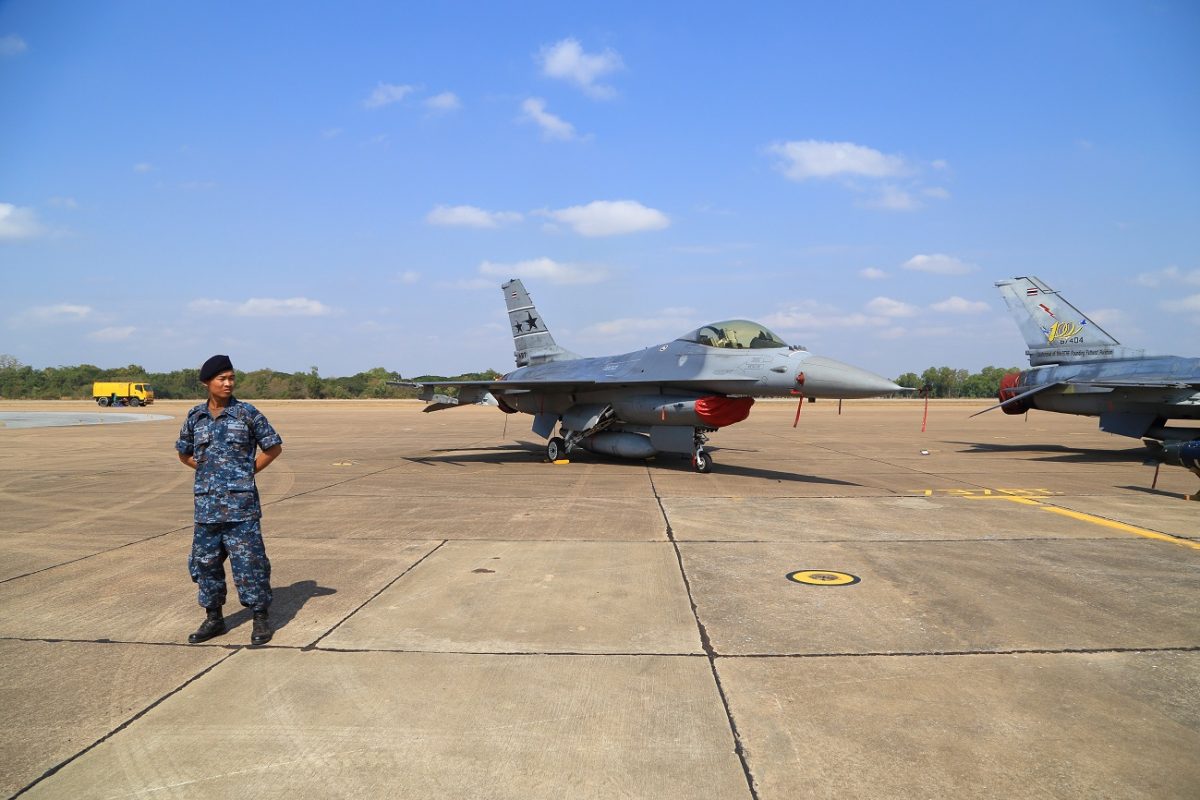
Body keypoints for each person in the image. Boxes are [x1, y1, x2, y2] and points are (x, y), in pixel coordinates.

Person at [175, 355, 283, 645]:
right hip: (206, 508)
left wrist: (247, 473)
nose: (228, 383)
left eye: (231, 378)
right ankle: (214, 619)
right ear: (206, 383)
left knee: (250, 564)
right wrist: (207, 472)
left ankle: (260, 618)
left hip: (241, 508)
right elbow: (184, 452)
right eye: (222, 379)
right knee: (204, 563)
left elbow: (273, 447)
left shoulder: (247, 413)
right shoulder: (195, 417)